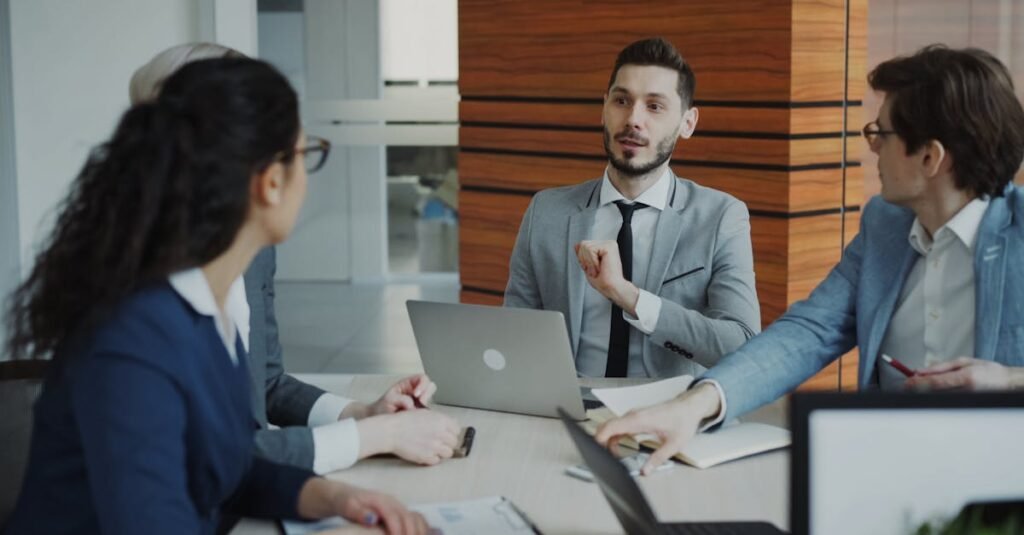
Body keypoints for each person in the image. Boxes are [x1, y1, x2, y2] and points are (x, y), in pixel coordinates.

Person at [4, 57, 429, 534]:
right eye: (306, 154)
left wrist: (333, 496)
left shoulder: (208, 304)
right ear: (270, 181)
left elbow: (225, 469)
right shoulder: (134, 338)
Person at [596, 45, 1024, 476]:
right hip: (889, 468)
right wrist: (694, 406)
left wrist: (1010, 382)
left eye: (881, 133)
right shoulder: (886, 225)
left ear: (930, 158)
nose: (872, 147)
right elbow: (809, 331)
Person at [130, 43, 461, 475]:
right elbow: (221, 457)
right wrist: (376, 438)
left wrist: (364, 414)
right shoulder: (148, 294)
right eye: (303, 155)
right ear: (265, 177)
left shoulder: (250, 254)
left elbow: (264, 385)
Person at [504, 37, 760, 379]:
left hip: (668, 416)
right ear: (604, 109)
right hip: (567, 411)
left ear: (688, 123)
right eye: (622, 100)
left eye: (654, 106)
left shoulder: (721, 217)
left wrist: (629, 296)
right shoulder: (546, 211)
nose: (633, 119)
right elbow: (514, 334)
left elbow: (739, 344)